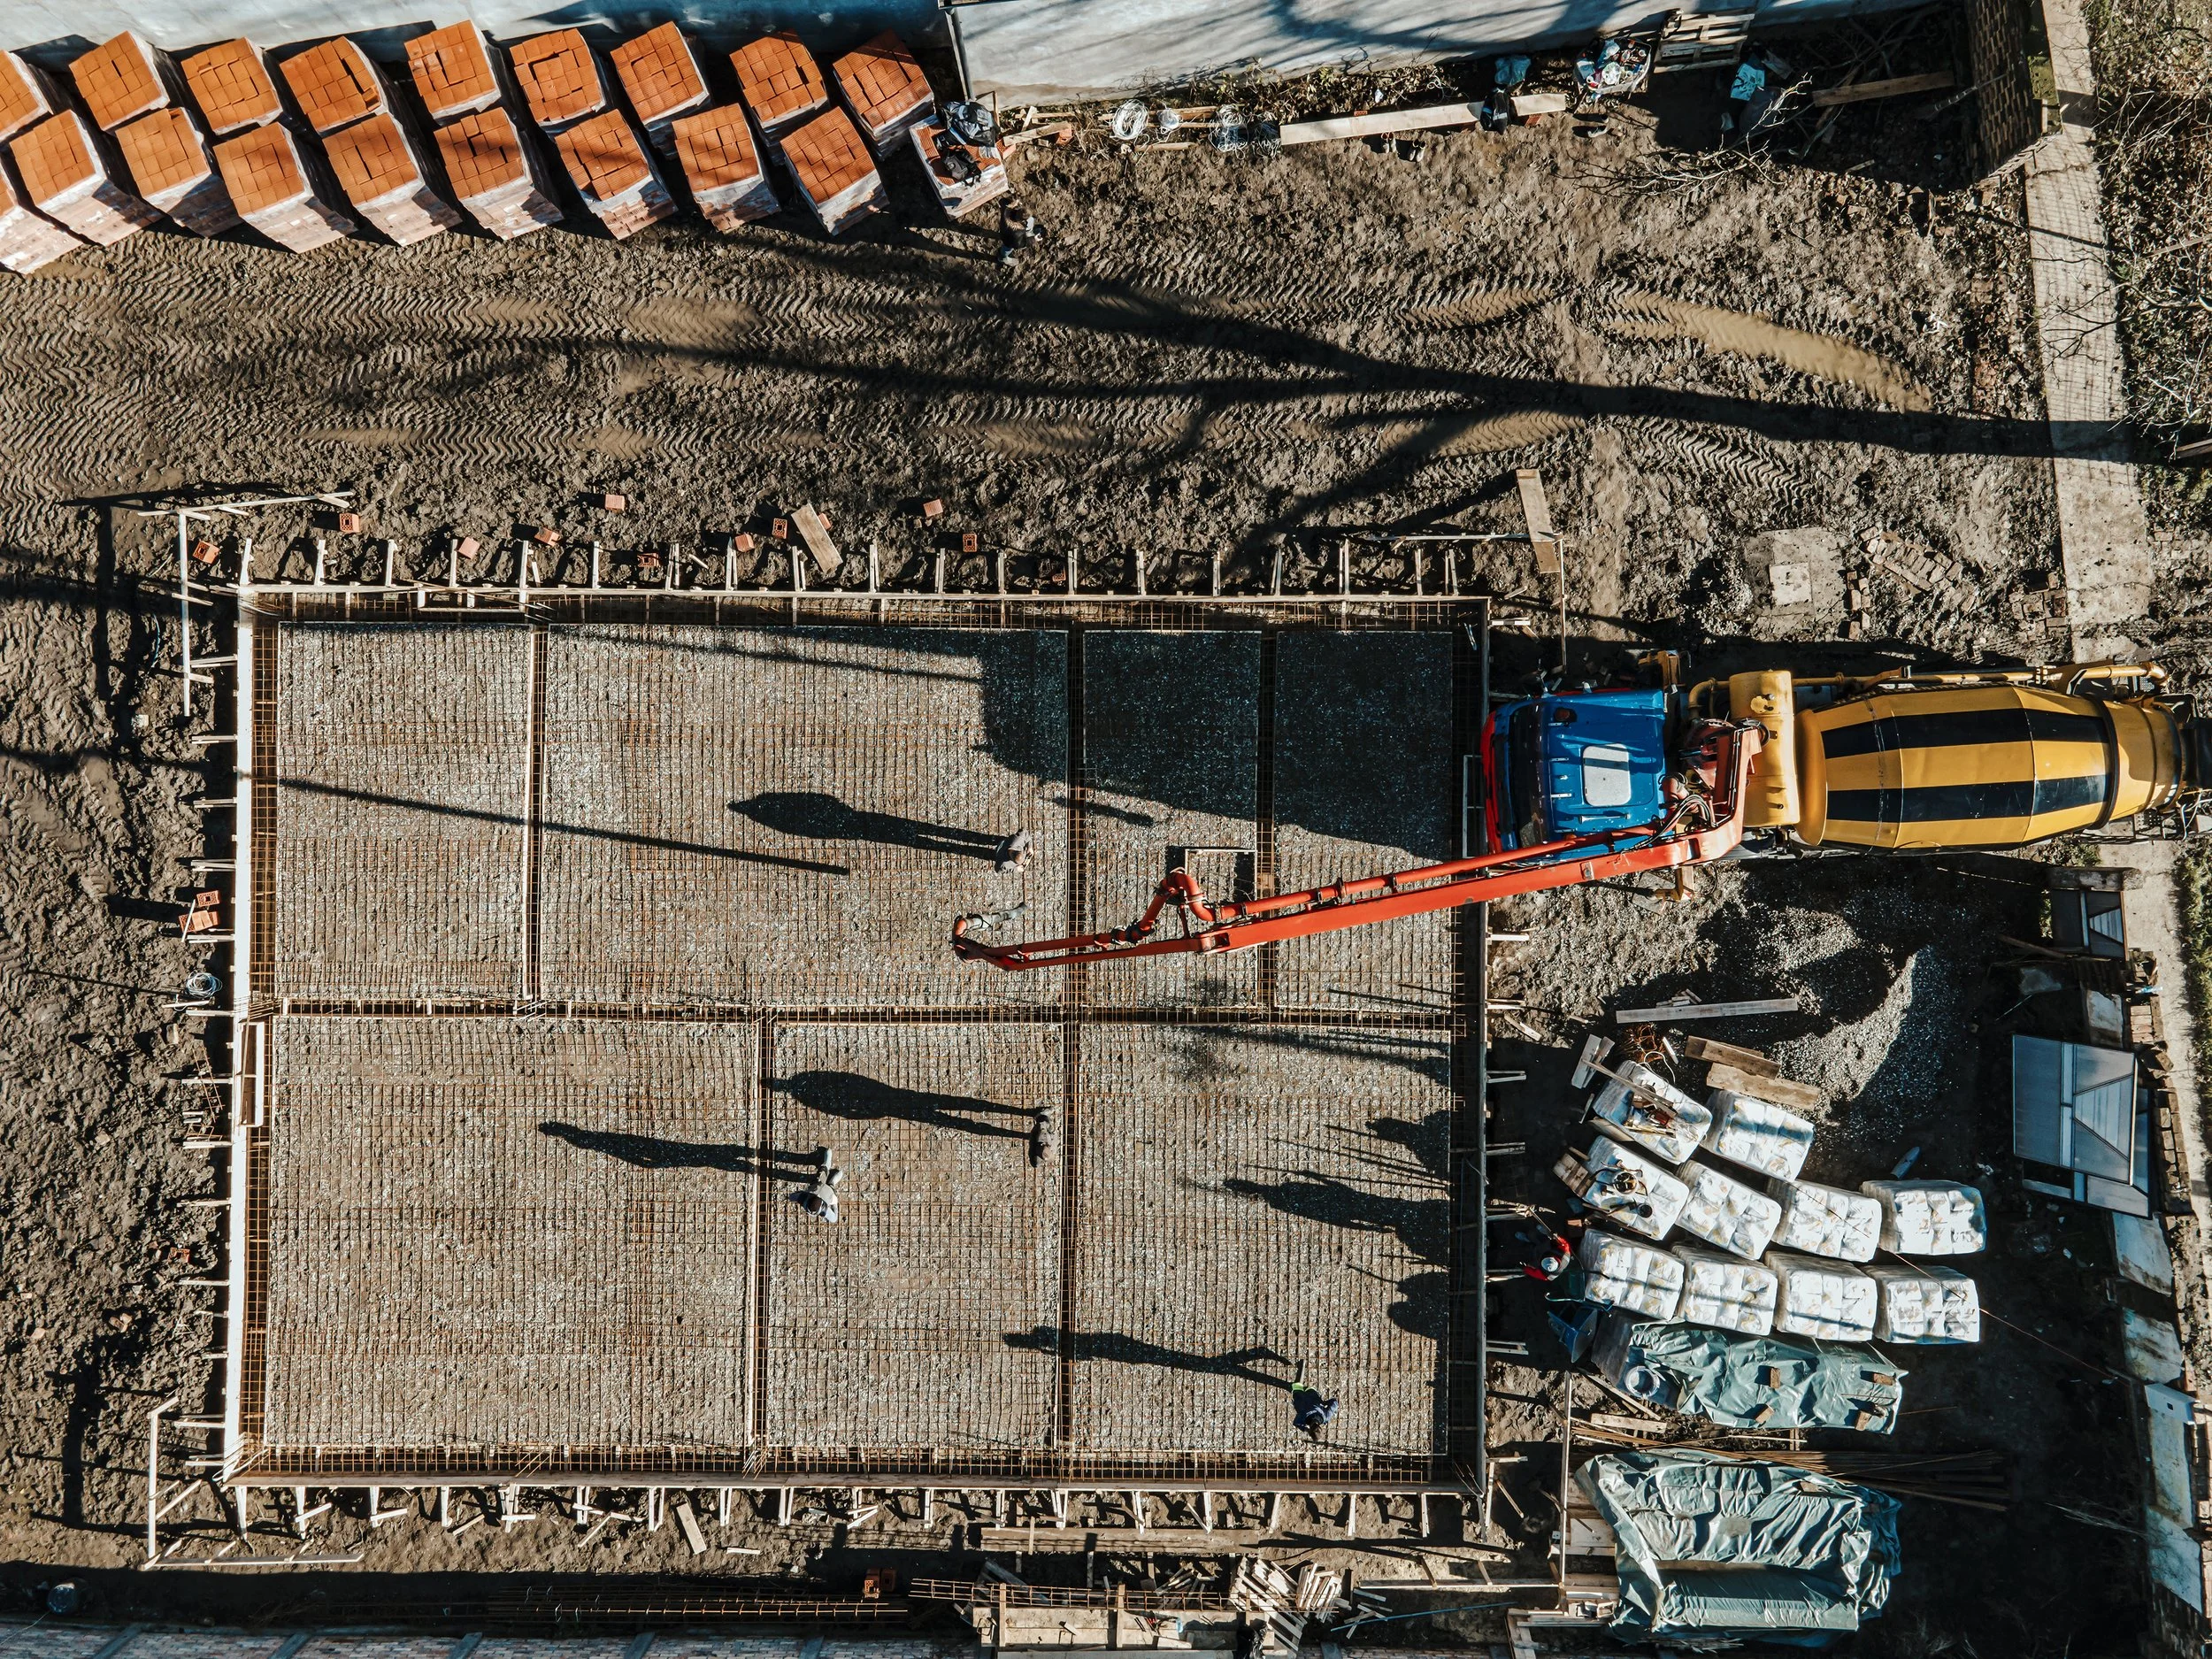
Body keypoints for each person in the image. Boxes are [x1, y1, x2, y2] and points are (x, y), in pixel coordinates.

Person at [1288, 1360, 1339, 1440]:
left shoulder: (1326, 1417)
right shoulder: (1303, 1419)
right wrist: (1305, 1429)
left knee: (1301, 1387)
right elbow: (1296, 1423)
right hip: (1299, 1396)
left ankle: (1302, 1368)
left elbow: (1335, 1402)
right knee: (1297, 1385)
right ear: (1310, 1431)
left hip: (1312, 1392)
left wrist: (1324, 1403)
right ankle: (1302, 1365)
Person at [793, 1148, 844, 1224]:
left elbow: (792, 1196)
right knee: (832, 1185)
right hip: (829, 1192)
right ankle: (833, 1182)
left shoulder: (803, 1198)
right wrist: (835, 1204)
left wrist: (797, 1195)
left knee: (823, 1170)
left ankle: (827, 1164)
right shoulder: (824, 1209)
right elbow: (834, 1218)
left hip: (818, 1183)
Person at [998, 196, 1043, 268]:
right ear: (1022, 221)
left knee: (1030, 221)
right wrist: (1034, 239)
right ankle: (1002, 258)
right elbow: (1019, 244)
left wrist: (1013, 203)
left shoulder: (1006, 211)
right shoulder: (1018, 232)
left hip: (1004, 230)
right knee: (1007, 248)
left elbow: (1002, 201)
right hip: (1008, 240)